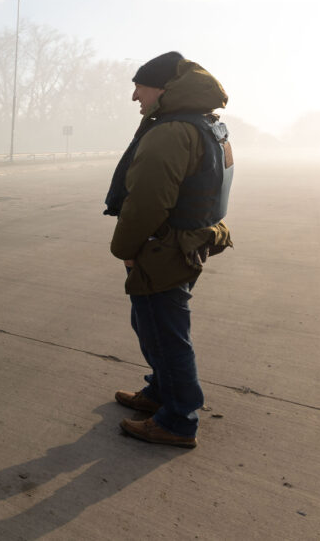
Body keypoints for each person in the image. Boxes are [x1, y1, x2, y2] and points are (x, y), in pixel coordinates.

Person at [104, 52, 233, 448]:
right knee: (154, 325)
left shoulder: (171, 131)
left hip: (163, 248)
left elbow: (147, 202)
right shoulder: (209, 126)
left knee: (165, 332)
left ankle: (178, 419)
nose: (134, 96)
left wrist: (126, 248)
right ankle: (160, 392)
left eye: (139, 86)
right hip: (187, 242)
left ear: (163, 89)